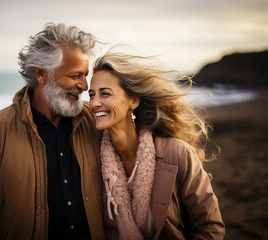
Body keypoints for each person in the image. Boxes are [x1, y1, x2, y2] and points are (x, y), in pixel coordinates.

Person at [0, 23, 105, 240]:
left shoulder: (97, 122)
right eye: (75, 75)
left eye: (85, 75)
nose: (84, 86)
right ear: (41, 74)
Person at [88, 49, 225, 239]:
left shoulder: (177, 153)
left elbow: (210, 226)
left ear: (133, 101)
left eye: (105, 94)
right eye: (91, 95)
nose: (94, 103)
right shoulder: (92, 159)